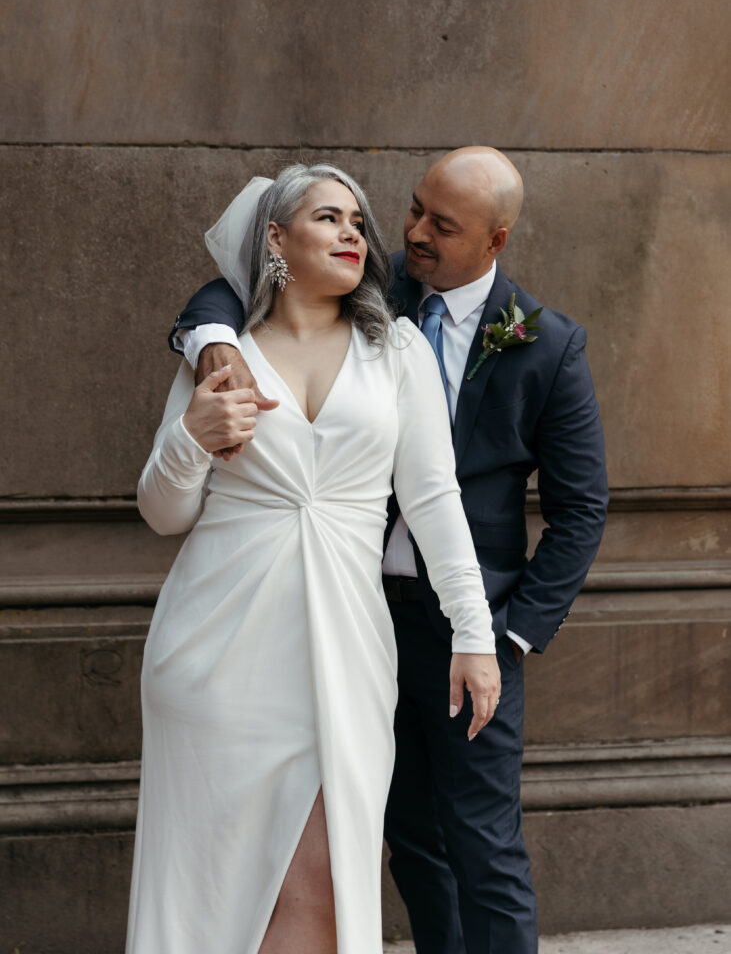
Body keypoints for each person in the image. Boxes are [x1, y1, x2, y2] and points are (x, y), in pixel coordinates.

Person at [168, 147, 609, 954]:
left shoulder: (545, 344)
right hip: (356, 614)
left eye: (441, 225)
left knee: (483, 842)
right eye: (410, 211)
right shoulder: (369, 288)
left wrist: (504, 635)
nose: (411, 233)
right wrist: (209, 342)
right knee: (405, 838)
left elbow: (580, 511)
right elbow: (229, 285)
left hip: (467, 628)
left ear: (495, 239)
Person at [128, 163, 500, 954]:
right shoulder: (220, 360)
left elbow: (433, 501)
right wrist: (192, 437)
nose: (352, 234)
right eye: (329, 218)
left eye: (359, 224)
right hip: (216, 652)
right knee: (215, 893)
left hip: (345, 649)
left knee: (326, 889)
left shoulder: (394, 350)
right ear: (274, 239)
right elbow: (162, 515)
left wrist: (473, 631)